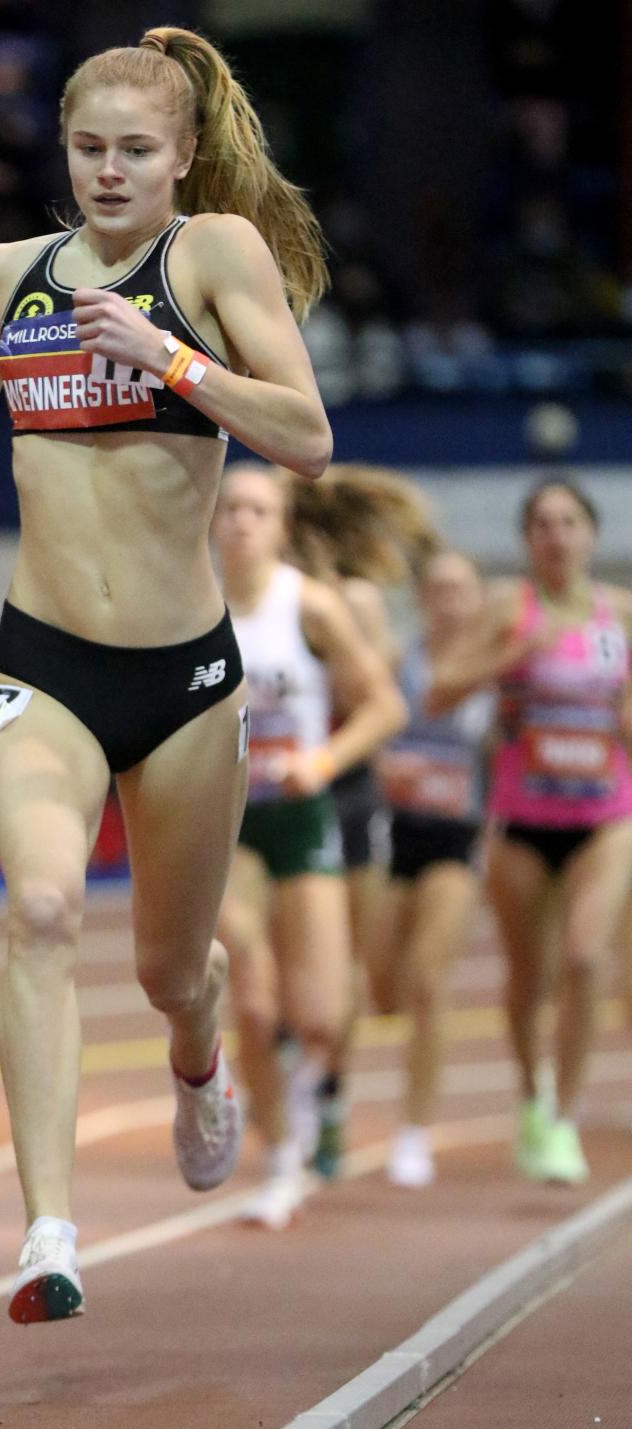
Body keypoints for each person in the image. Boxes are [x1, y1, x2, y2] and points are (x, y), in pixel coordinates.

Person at [0, 25, 332, 1321]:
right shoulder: (11, 274)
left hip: (182, 682)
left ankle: (199, 1054)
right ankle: (48, 1231)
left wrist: (167, 356)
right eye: (88, 149)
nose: (108, 172)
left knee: (172, 970)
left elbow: (309, 436)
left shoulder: (210, 255)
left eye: (135, 151)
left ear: (181, 160)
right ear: (64, 151)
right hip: (41, 659)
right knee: (44, 910)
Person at [213, 462, 404, 1228]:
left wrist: (320, 760)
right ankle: (280, 1155)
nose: (242, 521)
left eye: (259, 509)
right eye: (229, 507)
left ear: (284, 527)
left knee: (322, 1013)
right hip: (224, 824)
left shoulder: (310, 606)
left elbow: (384, 707)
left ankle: (311, 1097)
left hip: (302, 815)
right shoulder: (189, 605)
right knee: (254, 1001)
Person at [429, 478, 632, 1183]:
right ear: (527, 539)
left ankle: (566, 1117)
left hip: (605, 818)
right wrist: (512, 656)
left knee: (584, 958)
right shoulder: (504, 609)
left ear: (590, 534)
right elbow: (440, 688)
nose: (556, 534)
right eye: (542, 523)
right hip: (521, 821)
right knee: (530, 975)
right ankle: (531, 1095)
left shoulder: (620, 615)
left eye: (569, 521)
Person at [283, 464, 441, 1178]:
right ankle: (297, 1074)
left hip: (343, 791)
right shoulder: (269, 596)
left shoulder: (353, 602)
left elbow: (370, 695)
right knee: (276, 954)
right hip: (270, 792)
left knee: (339, 958)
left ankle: (330, 1096)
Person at [367, 551, 494, 1186]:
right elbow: (364, 729)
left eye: (460, 589)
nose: (448, 600)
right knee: (383, 990)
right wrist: (384, 764)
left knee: (425, 980)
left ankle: (414, 1132)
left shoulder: (495, 675)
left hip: (457, 840)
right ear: (421, 598)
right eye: (438, 589)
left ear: (478, 600)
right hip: (393, 836)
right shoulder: (398, 662)